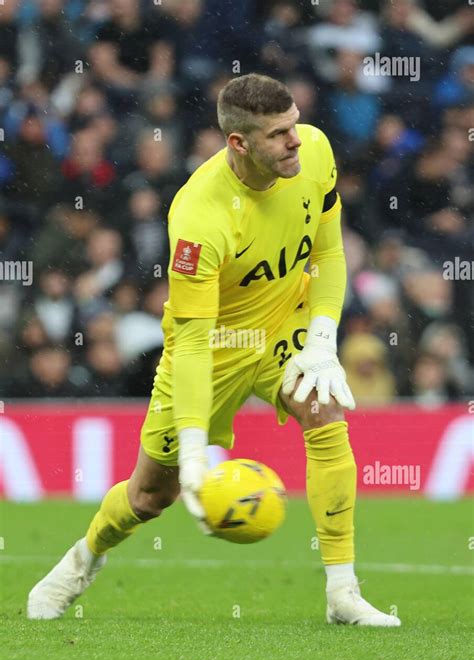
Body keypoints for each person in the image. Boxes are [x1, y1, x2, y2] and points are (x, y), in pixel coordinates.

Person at [27, 73, 400, 627]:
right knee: (151, 496)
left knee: (325, 413)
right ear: (239, 143)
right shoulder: (199, 217)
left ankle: (342, 591)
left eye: (294, 125)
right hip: (215, 346)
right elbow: (196, 341)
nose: (296, 141)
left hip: (283, 328)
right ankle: (81, 560)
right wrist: (199, 457)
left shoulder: (316, 151)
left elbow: (327, 251)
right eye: (278, 135)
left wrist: (323, 339)